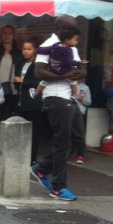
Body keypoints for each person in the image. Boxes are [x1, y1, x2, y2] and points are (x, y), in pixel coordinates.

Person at [32, 15, 86, 201]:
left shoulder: (71, 45)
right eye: (70, 28)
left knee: (76, 138)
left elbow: (81, 69)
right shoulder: (51, 45)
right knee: (63, 142)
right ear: (60, 29)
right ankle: (58, 187)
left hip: (70, 98)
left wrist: (80, 72)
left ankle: (42, 168)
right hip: (55, 98)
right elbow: (39, 71)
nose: (74, 31)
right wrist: (64, 76)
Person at [13, 38, 44, 164]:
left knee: (34, 132)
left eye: (29, 49)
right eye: (24, 49)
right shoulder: (21, 63)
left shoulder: (38, 64)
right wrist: (16, 81)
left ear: (35, 50)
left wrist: (23, 81)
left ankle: (32, 159)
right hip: (22, 100)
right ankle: (23, 156)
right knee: (23, 131)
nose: (25, 51)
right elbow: (18, 80)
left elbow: (39, 82)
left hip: (33, 102)